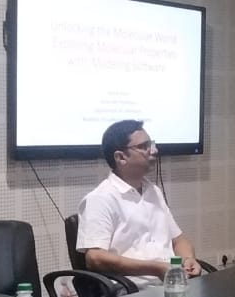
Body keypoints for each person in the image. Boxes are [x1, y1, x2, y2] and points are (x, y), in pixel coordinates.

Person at [77, 120, 202, 286]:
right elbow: (95, 258)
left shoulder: (153, 191)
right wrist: (155, 269)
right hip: (131, 290)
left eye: (151, 144)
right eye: (144, 146)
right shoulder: (100, 198)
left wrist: (188, 259)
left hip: (170, 283)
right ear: (121, 157)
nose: (154, 151)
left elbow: (179, 240)